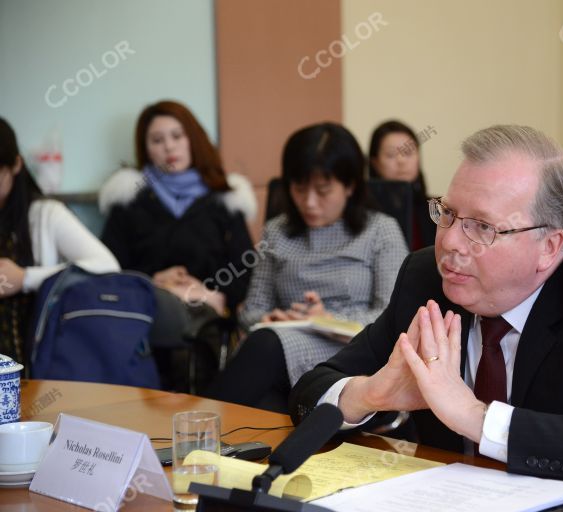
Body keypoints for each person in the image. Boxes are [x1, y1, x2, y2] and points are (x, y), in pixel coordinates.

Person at [290, 125, 563, 511]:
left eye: (482, 227)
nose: (451, 243)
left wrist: (477, 418)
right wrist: (368, 395)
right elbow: (309, 391)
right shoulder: (427, 280)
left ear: (549, 247)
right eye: (448, 213)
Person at [205, 122, 408, 412]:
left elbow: (392, 318)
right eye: (300, 189)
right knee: (266, 408)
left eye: (323, 191)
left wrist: (329, 320)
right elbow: (251, 311)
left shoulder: (380, 231)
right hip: (277, 353)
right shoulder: (277, 232)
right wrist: (273, 318)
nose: (309, 202)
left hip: (349, 353)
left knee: (265, 350)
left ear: (349, 186)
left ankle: (196, 429)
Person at [99, 100, 256, 389]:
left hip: (208, 316)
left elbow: (247, 269)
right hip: (146, 311)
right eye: (157, 140)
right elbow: (107, 271)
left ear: (193, 139)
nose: (169, 148)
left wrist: (212, 294)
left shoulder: (225, 199)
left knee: (194, 342)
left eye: (177, 136)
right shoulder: (129, 200)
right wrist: (154, 283)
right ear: (145, 149)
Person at [0, 117, 119, 363]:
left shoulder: (46, 215)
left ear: (16, 165)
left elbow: (107, 266)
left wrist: (25, 278)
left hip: (39, 364)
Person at [368, 120, 436, 250]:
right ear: (375, 163)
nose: (401, 160)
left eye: (408, 152)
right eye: (391, 154)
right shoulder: (363, 213)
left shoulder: (437, 210)